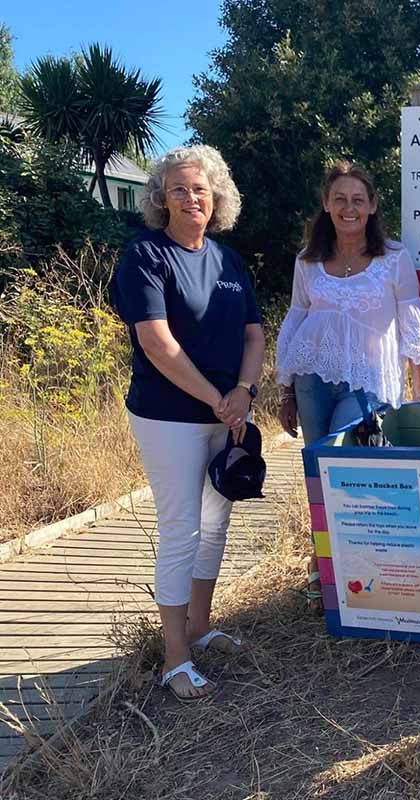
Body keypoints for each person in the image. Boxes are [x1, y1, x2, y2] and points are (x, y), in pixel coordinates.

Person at [111, 145, 263, 700]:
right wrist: (216, 399)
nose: (190, 197)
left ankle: (200, 629)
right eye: (178, 188)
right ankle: (175, 658)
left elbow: (254, 334)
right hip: (169, 415)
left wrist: (243, 392)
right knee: (182, 529)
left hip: (229, 411)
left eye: (199, 188)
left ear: (216, 197)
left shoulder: (228, 261)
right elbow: (155, 342)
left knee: (216, 523)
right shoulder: (145, 255)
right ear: (160, 198)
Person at [274, 161, 420, 608]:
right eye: (340, 199)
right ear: (326, 205)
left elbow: (413, 319)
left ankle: (370, 568)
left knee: (355, 470)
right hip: (314, 378)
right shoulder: (308, 261)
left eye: (358, 200)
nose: (348, 208)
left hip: (369, 383)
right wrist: (286, 388)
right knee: (320, 473)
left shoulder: (392, 258)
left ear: (372, 206)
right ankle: (324, 568)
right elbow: (297, 320)